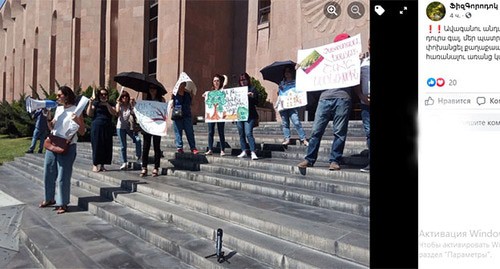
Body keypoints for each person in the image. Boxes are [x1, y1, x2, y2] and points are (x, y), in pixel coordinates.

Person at [297, 33, 354, 171]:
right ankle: (309, 159)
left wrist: (359, 58)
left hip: (343, 97)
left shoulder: (353, 56)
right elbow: (305, 66)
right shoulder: (324, 54)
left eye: (344, 43)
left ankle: (335, 160)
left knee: (339, 132)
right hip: (324, 99)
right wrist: (300, 66)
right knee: (316, 130)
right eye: (339, 43)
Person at [39, 86, 86, 214]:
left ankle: (63, 203)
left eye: (60, 95)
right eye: (57, 95)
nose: (57, 97)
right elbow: (52, 127)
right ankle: (49, 199)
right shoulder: (58, 109)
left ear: (67, 96)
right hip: (53, 143)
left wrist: (78, 119)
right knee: (48, 172)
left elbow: (82, 132)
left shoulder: (76, 110)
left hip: (67, 146)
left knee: (62, 176)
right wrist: (48, 117)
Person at [277, 65, 309, 146]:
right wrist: (279, 91)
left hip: (292, 105)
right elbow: (279, 94)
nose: (287, 73)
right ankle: (287, 138)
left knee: (296, 121)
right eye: (285, 72)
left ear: (292, 73)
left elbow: (300, 92)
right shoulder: (281, 83)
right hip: (283, 106)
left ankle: (303, 139)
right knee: (285, 123)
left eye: (288, 71)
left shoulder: (296, 82)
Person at [87, 87, 116, 172]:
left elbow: (114, 113)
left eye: (105, 94)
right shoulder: (95, 103)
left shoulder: (110, 103)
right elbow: (89, 113)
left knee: (105, 145)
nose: (103, 96)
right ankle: (95, 164)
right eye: (101, 94)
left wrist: (107, 105)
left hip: (107, 126)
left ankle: (102, 165)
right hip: (97, 126)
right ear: (98, 95)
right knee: (96, 145)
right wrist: (90, 103)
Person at [140, 86, 166, 177]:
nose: (152, 90)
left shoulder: (161, 100)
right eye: (150, 88)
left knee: (156, 147)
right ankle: (144, 167)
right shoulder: (145, 100)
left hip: (157, 126)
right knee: (145, 147)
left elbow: (164, 110)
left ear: (157, 90)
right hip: (147, 126)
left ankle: (156, 167)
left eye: (154, 89)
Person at [115, 90, 142, 170]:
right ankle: (124, 162)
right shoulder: (119, 105)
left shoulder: (130, 105)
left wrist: (134, 103)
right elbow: (116, 113)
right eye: (123, 97)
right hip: (120, 127)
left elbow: (137, 112)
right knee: (123, 146)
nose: (125, 98)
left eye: (126, 96)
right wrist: (118, 104)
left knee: (138, 140)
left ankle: (139, 157)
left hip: (130, 127)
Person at [236, 72, 259, 160]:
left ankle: (253, 151)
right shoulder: (237, 91)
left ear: (248, 80)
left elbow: (257, 101)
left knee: (248, 132)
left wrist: (252, 96)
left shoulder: (252, 89)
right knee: (241, 133)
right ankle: (244, 150)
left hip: (250, 115)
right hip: (239, 115)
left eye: (244, 80)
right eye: (241, 80)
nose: (243, 82)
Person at [355, 38, 370, 173]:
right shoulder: (363, 62)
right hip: (366, 103)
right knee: (369, 133)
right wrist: (361, 96)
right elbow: (356, 81)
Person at [171, 82, 198, 154]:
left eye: (183, 84)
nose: (182, 86)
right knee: (178, 132)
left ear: (185, 85)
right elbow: (172, 104)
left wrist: (193, 96)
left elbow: (192, 103)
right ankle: (179, 147)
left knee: (190, 132)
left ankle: (193, 148)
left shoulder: (187, 94)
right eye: (180, 84)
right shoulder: (174, 94)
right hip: (177, 116)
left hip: (187, 115)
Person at [203, 74, 226, 156]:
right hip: (212, 114)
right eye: (214, 81)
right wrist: (205, 96)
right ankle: (210, 149)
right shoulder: (210, 93)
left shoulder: (223, 91)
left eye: (217, 81)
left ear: (220, 82)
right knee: (210, 131)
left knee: (221, 131)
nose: (216, 82)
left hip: (220, 114)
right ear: (212, 82)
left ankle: (222, 149)